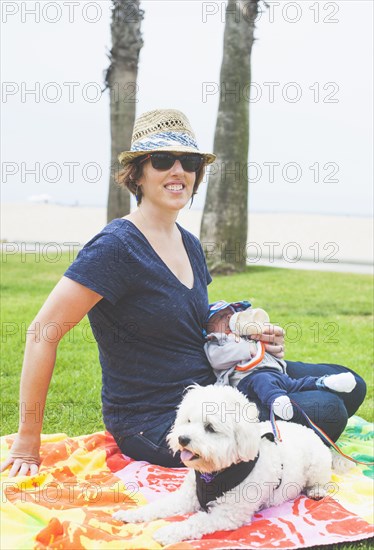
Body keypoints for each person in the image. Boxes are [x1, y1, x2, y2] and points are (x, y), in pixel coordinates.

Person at [0, 109, 366, 476]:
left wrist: (247, 335)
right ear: (138, 174)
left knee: (351, 385)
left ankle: (275, 438)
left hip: (214, 386)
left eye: (188, 162)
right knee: (327, 410)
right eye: (162, 160)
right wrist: (27, 444)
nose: (178, 172)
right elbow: (41, 333)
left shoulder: (188, 243)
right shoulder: (115, 247)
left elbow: (195, 324)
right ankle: (272, 443)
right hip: (157, 419)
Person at [204, 300, 357, 421]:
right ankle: (277, 402)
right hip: (248, 381)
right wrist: (249, 349)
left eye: (231, 313)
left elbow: (272, 352)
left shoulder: (248, 336)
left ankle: (325, 382)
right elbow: (216, 358)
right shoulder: (217, 342)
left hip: (276, 374)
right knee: (263, 381)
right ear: (208, 329)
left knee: (296, 383)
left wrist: (272, 343)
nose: (230, 317)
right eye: (221, 317)